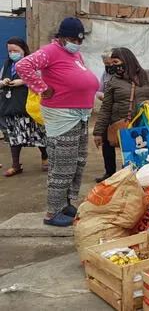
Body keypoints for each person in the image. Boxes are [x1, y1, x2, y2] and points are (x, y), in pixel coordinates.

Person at [16, 17, 100, 227]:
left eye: (80, 40)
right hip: (62, 117)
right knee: (62, 164)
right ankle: (53, 212)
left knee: (78, 162)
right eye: (73, 39)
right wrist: (42, 88)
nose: (77, 43)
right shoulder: (50, 51)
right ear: (61, 37)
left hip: (79, 116)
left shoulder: (75, 54)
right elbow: (23, 65)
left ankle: (66, 203)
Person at [93, 47, 149, 182]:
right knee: (124, 154)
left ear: (126, 60)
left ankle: (147, 180)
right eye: (111, 64)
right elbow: (106, 108)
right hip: (121, 125)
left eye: (116, 62)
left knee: (145, 154)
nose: (114, 66)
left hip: (144, 125)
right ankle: (113, 175)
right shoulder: (114, 81)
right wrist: (98, 132)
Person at [0, 37, 48, 177]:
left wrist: (24, 81)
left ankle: (45, 158)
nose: (12, 53)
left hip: (29, 107)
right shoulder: (7, 65)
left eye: (15, 50)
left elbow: (42, 80)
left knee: (38, 134)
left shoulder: (32, 63)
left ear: (23, 50)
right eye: (10, 51)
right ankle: (16, 166)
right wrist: (4, 82)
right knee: (14, 138)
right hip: (10, 107)